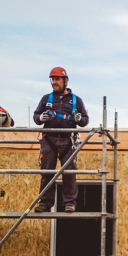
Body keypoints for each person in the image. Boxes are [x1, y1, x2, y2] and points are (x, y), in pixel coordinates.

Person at [33, 67, 89, 213]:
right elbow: (36, 116)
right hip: (49, 140)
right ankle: (45, 203)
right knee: (47, 173)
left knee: (69, 173)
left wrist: (79, 119)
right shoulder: (46, 99)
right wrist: (40, 118)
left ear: (65, 81)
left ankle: (69, 203)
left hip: (67, 141)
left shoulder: (76, 100)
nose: (54, 82)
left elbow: (85, 120)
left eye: (57, 79)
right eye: (52, 79)